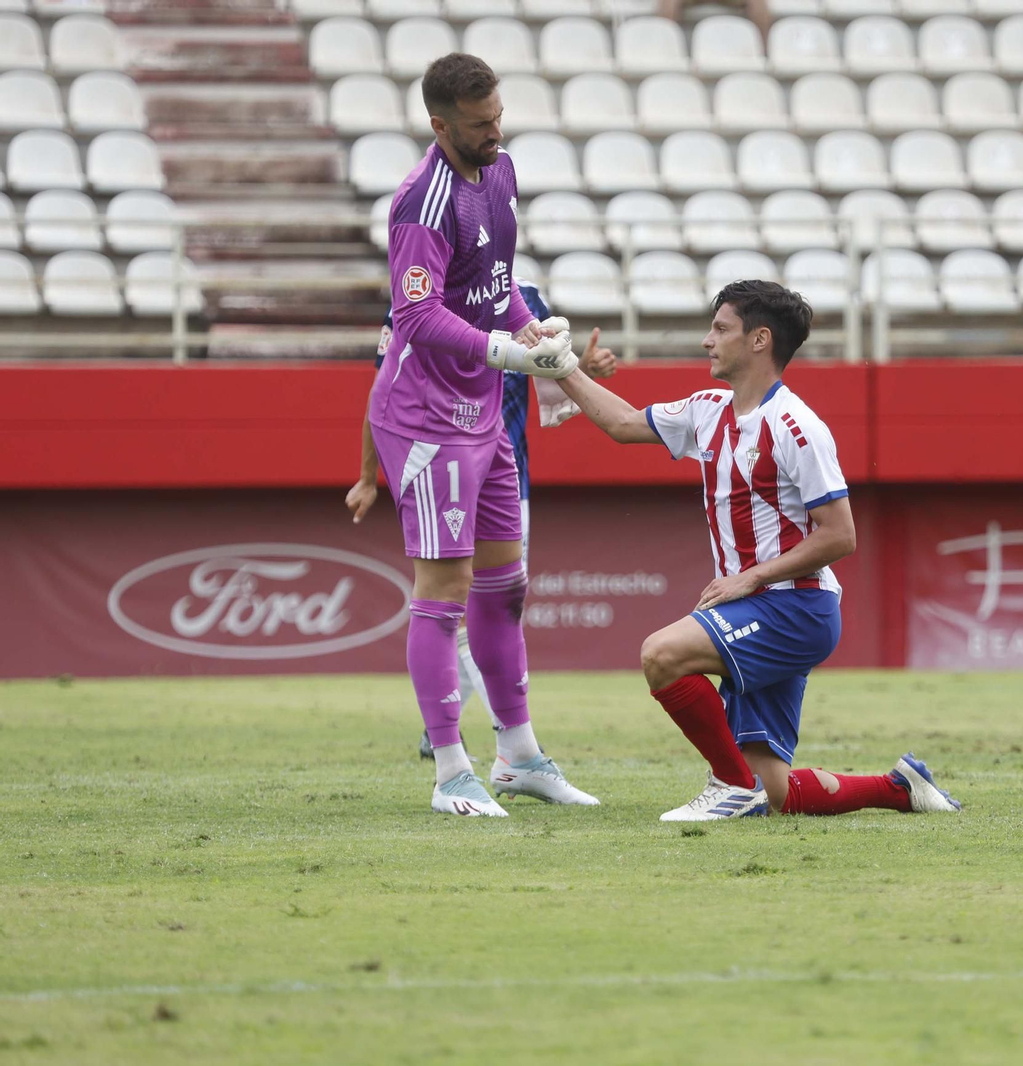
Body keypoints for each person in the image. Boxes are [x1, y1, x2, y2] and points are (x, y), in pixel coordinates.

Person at [553, 280, 962, 821]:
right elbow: (623, 424)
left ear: (759, 340)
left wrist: (750, 578)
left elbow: (841, 535)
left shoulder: (796, 427)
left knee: (662, 655)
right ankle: (900, 789)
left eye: (720, 328)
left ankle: (728, 786)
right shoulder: (707, 410)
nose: (707, 341)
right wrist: (561, 367)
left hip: (795, 608)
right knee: (776, 791)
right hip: (759, 608)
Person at [357, 51, 587, 817]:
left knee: (505, 589)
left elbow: (494, 292)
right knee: (444, 593)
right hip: (425, 419)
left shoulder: (503, 172)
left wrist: (536, 335)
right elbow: (415, 316)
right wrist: (505, 351)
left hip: (484, 411)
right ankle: (450, 771)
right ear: (439, 123)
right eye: (481, 124)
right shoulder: (421, 204)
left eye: (498, 117)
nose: (496, 132)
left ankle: (519, 758)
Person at [349, 277, 615, 807]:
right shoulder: (417, 292)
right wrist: (366, 475)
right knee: (453, 600)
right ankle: (454, 753)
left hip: (505, 467)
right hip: (441, 450)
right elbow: (385, 383)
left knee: (503, 601)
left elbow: (549, 375)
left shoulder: (525, 296)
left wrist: (581, 371)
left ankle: (513, 753)